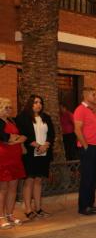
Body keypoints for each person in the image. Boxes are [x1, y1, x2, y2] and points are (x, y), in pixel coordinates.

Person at [16, 95, 55, 220]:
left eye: (40, 102)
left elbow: (52, 134)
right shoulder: (22, 118)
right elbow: (23, 134)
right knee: (29, 181)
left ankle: (38, 208)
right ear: (30, 104)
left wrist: (46, 145)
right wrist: (38, 146)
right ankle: (28, 209)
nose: (38, 105)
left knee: (38, 180)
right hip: (30, 153)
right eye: (35, 102)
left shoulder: (46, 117)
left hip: (44, 153)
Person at [73, 87, 96, 216]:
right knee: (87, 178)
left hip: (95, 147)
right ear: (85, 95)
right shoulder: (80, 110)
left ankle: (90, 204)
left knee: (92, 177)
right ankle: (83, 207)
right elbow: (77, 130)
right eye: (93, 94)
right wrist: (85, 145)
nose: (95, 97)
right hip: (88, 147)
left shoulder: (91, 111)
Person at [0, 98, 27, 229]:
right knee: (3, 189)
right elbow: (5, 139)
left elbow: (22, 137)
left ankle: (10, 214)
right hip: (3, 157)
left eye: (10, 107)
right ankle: (1, 217)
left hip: (15, 157)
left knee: (13, 188)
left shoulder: (12, 120)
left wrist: (14, 140)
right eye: (7, 107)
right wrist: (15, 139)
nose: (10, 110)